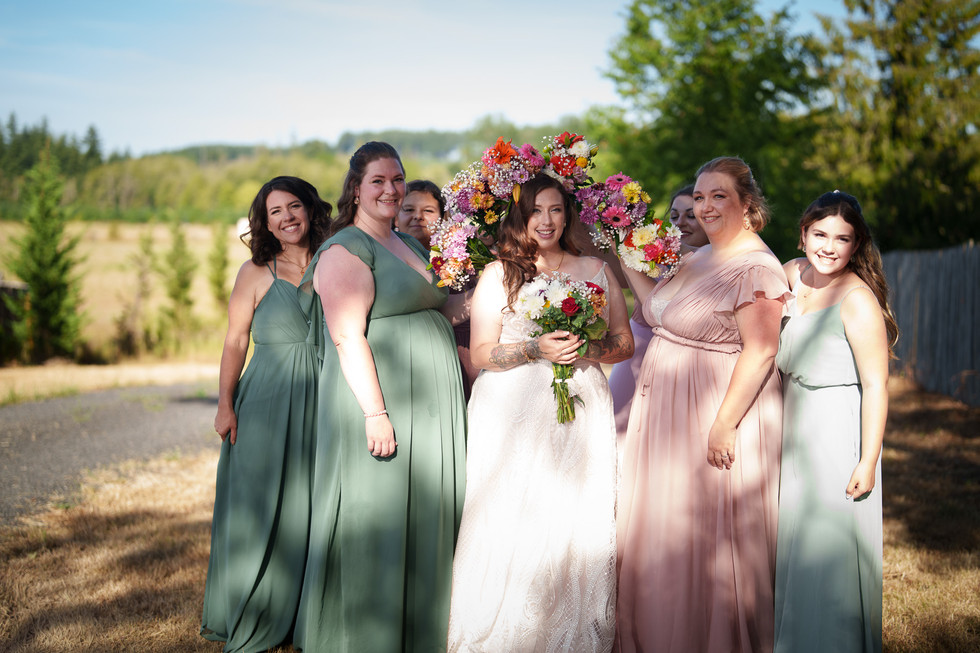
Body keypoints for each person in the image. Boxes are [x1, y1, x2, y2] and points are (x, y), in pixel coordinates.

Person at [447, 173, 633, 652]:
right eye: (535, 211)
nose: (546, 221)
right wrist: (534, 348)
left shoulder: (596, 268)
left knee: (572, 513)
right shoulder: (500, 273)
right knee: (512, 513)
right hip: (512, 411)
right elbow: (483, 352)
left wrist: (582, 345)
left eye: (555, 209)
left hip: (581, 405)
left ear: (567, 214)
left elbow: (624, 343)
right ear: (520, 216)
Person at [294, 142, 468, 652]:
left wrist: (510, 283)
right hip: (382, 399)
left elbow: (439, 307)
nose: (391, 189)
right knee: (380, 514)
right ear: (356, 189)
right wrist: (376, 413)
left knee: (421, 509)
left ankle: (417, 633)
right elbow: (348, 336)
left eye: (398, 179)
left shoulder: (408, 245)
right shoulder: (346, 247)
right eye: (379, 181)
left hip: (428, 402)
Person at [615, 156, 790, 652]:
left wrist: (723, 426)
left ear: (748, 205)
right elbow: (655, 310)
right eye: (699, 196)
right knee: (669, 528)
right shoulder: (696, 257)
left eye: (719, 196)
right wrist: (621, 252)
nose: (706, 206)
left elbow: (761, 350)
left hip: (716, 409)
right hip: (667, 412)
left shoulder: (756, 268)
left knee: (708, 537)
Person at [201, 176, 332, 652]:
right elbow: (236, 340)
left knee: (312, 508)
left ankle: (305, 618)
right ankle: (254, 612)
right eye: (275, 212)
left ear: (310, 209)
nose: (286, 218)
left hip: (325, 398)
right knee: (263, 506)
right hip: (265, 402)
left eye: (293, 206)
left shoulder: (335, 259)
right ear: (265, 221)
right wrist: (224, 403)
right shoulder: (255, 271)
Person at [774, 191, 897, 653]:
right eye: (820, 234)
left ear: (855, 245)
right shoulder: (788, 274)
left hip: (836, 427)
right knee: (792, 541)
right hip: (789, 420)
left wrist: (867, 461)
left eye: (841, 239)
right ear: (804, 233)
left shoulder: (857, 299)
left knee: (827, 544)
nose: (828, 246)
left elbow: (876, 386)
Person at [607, 185, 706, 439]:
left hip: (677, 364)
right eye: (674, 216)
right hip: (636, 354)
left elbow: (654, 305)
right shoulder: (655, 255)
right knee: (615, 432)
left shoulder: (709, 266)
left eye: (691, 215)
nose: (681, 222)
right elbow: (614, 276)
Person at [397, 179, 480, 398]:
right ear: (395, 215)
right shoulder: (389, 260)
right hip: (417, 362)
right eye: (408, 209)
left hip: (469, 356)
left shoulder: (464, 256)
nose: (418, 216)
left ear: (443, 217)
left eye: (428, 210)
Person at [395, 179, 443, 248]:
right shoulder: (380, 253)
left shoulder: (456, 256)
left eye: (428, 210)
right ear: (396, 218)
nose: (418, 216)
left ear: (441, 219)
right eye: (409, 210)